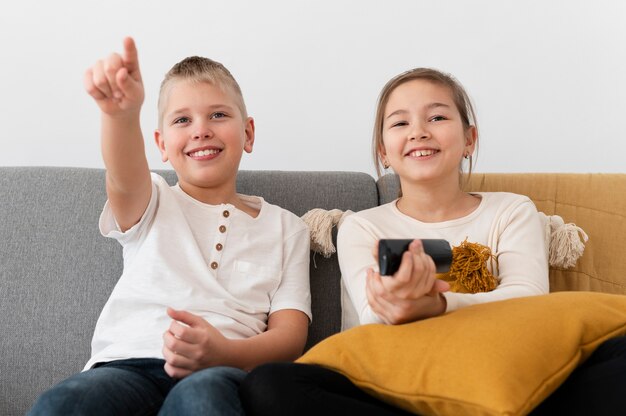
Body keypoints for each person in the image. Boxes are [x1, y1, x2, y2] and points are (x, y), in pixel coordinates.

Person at [239, 68, 626, 415]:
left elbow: (528, 300)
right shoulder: (363, 227)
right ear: (383, 151)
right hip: (396, 385)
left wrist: (437, 302)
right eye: (400, 123)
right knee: (272, 385)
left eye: (437, 117)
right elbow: (378, 317)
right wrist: (410, 303)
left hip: (502, 373)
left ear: (469, 139)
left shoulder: (511, 210)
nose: (419, 131)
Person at [28, 37, 311, 416]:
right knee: (63, 403)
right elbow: (124, 177)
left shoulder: (287, 228)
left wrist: (223, 353)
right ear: (161, 144)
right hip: (127, 367)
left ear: (248, 133)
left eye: (218, 115)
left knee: (200, 402)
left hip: (221, 371)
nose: (201, 130)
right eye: (182, 120)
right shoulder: (153, 199)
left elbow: (290, 336)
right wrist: (120, 116)